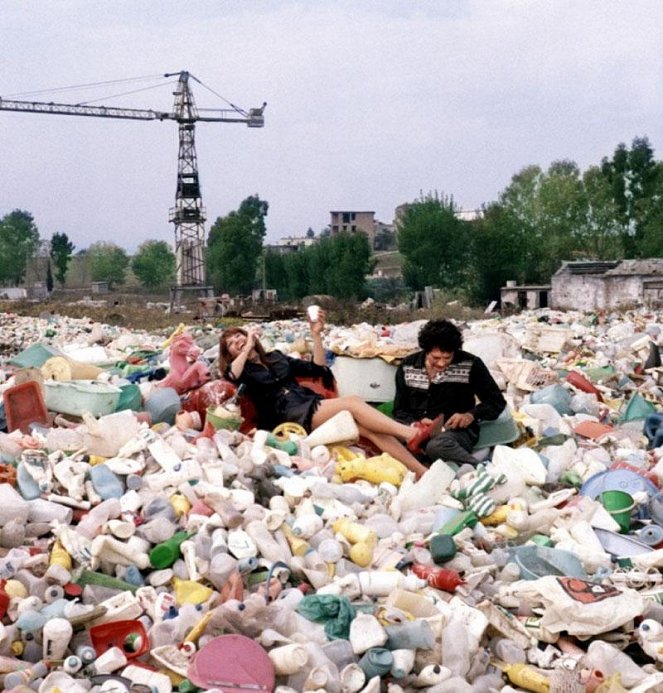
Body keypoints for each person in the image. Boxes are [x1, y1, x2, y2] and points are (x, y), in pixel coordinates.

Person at [218, 311, 431, 477]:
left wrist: (316, 333)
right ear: (230, 354)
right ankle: (411, 434)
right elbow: (231, 375)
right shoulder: (243, 372)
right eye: (231, 343)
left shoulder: (276, 357)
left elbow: (317, 367)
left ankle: (420, 471)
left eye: (239, 335)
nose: (237, 340)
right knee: (353, 402)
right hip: (286, 416)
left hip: (307, 404)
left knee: (368, 430)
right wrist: (247, 347)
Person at [393, 319, 506, 466]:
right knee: (385, 437)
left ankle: (480, 469)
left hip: (456, 432)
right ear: (426, 351)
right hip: (415, 430)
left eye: (447, 358)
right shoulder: (407, 366)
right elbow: (399, 410)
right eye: (436, 358)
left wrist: (470, 415)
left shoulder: (470, 364)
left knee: (436, 446)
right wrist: (416, 424)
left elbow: (496, 402)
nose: (441, 363)